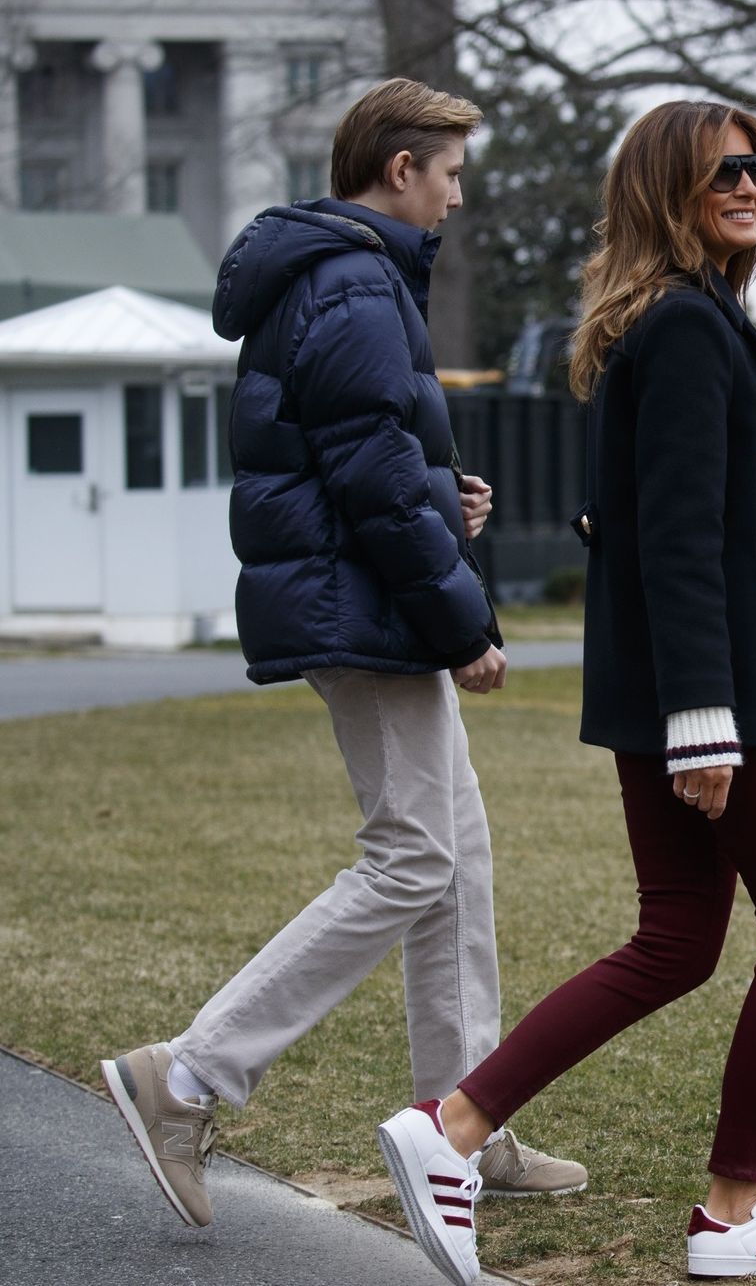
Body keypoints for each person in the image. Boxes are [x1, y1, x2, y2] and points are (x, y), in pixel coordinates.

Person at [375, 102, 756, 1286]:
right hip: (725, 701)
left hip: (692, 692)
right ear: (666, 195)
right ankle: (732, 1214)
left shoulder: (678, 323)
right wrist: (708, 721)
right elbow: (679, 542)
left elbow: (660, 527)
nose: (748, 188)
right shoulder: (688, 330)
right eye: (720, 175)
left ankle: (449, 1133)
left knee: (680, 939)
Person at [99, 78, 585, 1232]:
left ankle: (466, 1121)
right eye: (452, 174)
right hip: (365, 615)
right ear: (400, 169)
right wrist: (463, 623)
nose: (459, 198)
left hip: (361, 596)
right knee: (413, 856)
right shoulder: (356, 283)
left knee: (452, 851)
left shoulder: (338, 278)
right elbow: (364, 476)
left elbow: (356, 457)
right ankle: (190, 1076)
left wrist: (437, 494)